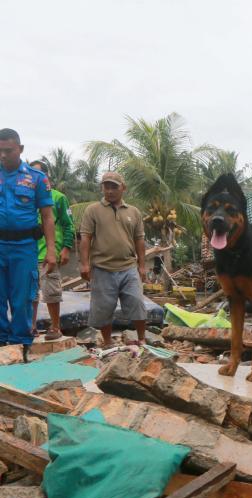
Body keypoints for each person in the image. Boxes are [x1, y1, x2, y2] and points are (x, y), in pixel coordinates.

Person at [0, 129, 57, 358]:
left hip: (24, 247)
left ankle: (21, 343)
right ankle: (2, 342)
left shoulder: (36, 178)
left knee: (22, 297)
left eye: (8, 150)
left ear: (20, 149)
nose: (3, 155)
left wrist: (51, 250)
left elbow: (47, 216)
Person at [78, 171, 148, 347]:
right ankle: (108, 342)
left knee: (137, 303)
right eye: (106, 186)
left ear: (123, 188)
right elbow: (85, 238)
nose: (109, 191)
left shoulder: (134, 212)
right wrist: (85, 264)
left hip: (128, 267)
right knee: (104, 308)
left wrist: (142, 265)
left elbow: (139, 239)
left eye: (114, 187)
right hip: (102, 268)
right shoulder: (92, 210)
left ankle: (142, 339)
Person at [28, 160, 75, 340]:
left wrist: (66, 248)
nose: (34, 177)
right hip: (29, 253)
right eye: (31, 173)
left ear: (46, 176)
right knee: (30, 294)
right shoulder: (25, 198)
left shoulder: (58, 197)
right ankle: (31, 327)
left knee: (52, 293)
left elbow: (68, 225)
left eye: (38, 173)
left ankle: (55, 327)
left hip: (50, 254)